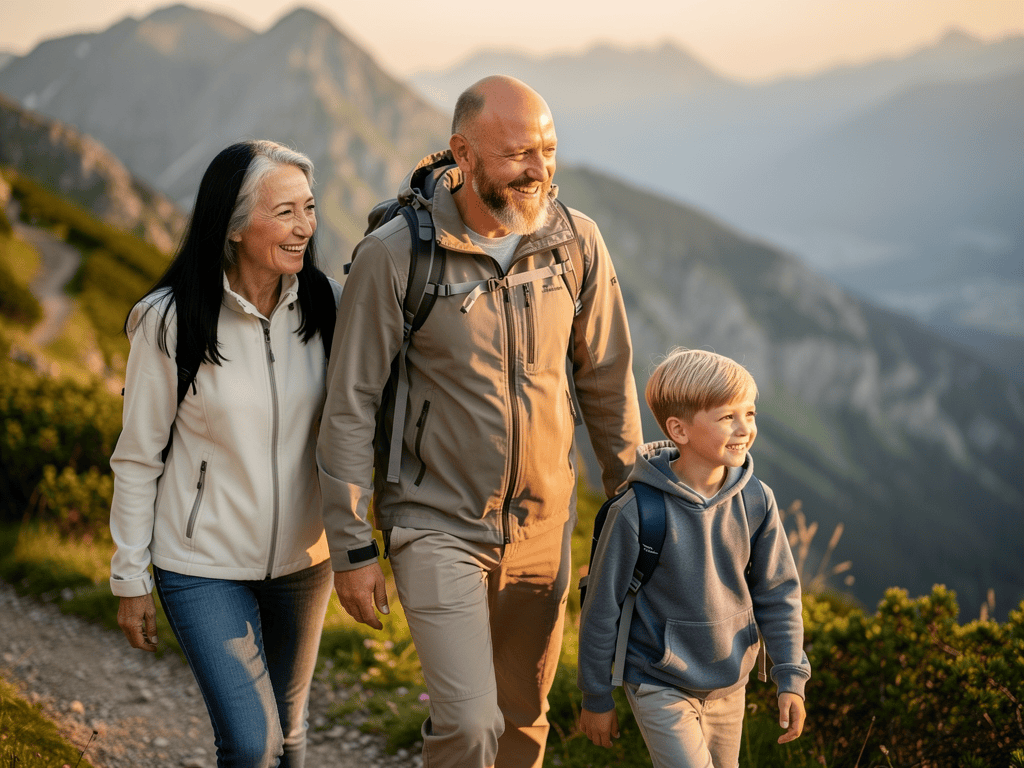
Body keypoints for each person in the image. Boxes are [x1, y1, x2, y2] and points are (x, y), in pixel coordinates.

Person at [316, 75, 643, 768]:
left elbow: (608, 382)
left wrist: (639, 509)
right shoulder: (396, 255)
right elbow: (351, 404)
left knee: (524, 720)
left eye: (548, 149)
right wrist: (350, 546)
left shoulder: (575, 244)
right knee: (468, 725)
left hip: (544, 531)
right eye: (520, 153)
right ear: (462, 153)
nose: (540, 168)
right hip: (436, 523)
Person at [108, 140, 341, 768]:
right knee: (249, 742)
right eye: (285, 212)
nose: (304, 228)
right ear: (235, 226)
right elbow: (137, 458)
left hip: (304, 560)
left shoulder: (326, 307)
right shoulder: (169, 321)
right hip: (201, 562)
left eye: (310, 209)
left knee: (289, 734)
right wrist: (130, 576)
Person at [577, 348, 811, 767]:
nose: (745, 429)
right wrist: (596, 696)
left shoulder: (757, 500)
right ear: (678, 430)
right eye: (727, 417)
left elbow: (778, 593)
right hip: (658, 680)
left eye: (750, 413)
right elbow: (601, 608)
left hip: (729, 682)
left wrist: (791, 676)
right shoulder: (635, 511)